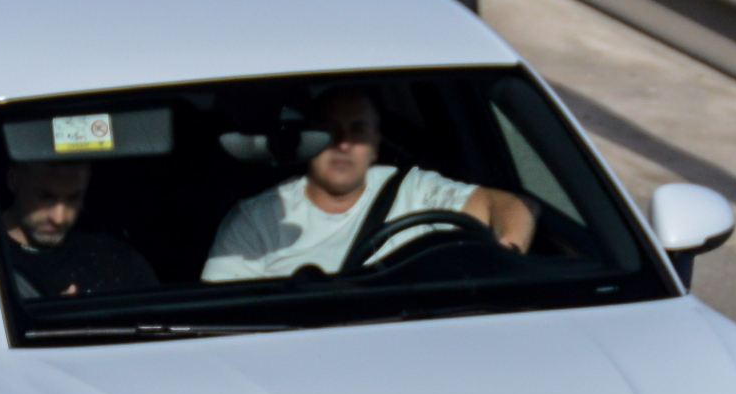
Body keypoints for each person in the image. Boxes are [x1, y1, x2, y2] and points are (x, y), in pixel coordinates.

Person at [202, 86, 534, 280]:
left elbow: (506, 205)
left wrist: (508, 257)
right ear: (309, 139)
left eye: (358, 131)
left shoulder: (414, 189)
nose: (344, 144)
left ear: (375, 144)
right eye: (331, 130)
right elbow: (219, 319)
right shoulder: (258, 219)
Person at [0, 158, 156, 298]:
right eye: (44, 197)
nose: (58, 218)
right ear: (12, 178)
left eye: (72, 198)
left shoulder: (118, 261)